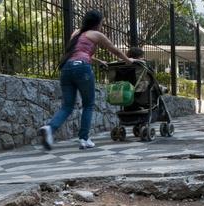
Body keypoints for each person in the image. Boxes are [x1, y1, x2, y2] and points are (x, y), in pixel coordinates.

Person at [38, 10, 137, 150]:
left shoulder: (76, 33)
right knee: (88, 104)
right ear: (97, 23)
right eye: (102, 23)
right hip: (82, 69)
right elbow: (115, 50)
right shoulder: (96, 34)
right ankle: (84, 139)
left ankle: (49, 128)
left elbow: (77, 53)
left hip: (66, 68)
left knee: (67, 106)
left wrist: (97, 61)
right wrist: (128, 60)